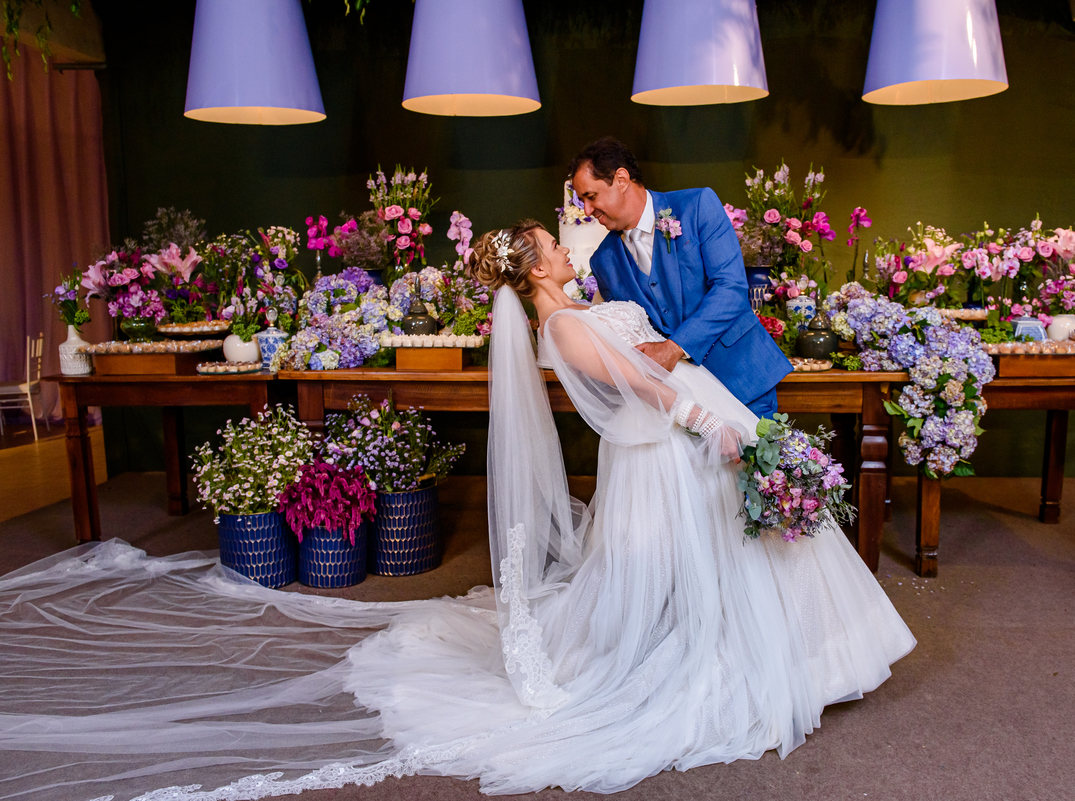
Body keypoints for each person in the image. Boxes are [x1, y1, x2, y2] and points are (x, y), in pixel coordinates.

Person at [0, 223, 914, 801]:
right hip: (668, 446)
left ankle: (792, 652)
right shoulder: (563, 326)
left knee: (725, 558)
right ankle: (712, 661)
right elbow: (636, 383)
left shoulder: (587, 302)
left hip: (684, 434)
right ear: (537, 267)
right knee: (688, 570)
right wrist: (706, 422)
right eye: (554, 241)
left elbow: (643, 348)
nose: (568, 241)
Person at [570, 137, 794, 418]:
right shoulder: (603, 260)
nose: (587, 211)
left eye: (591, 197)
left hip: (744, 378)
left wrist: (674, 348)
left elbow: (731, 288)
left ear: (622, 179)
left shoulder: (697, 205)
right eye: (582, 201)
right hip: (684, 402)